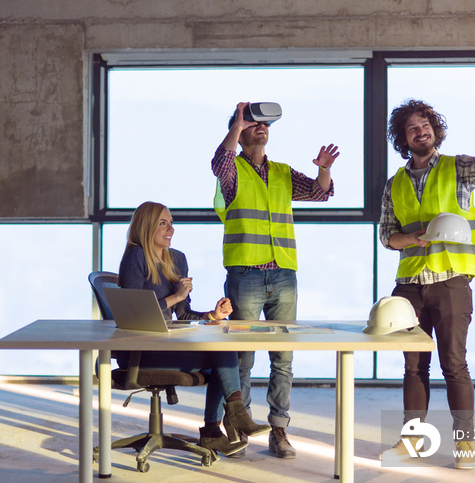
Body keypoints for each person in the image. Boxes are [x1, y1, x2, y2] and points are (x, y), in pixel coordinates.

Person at [378, 99, 475, 468]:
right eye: (413, 128)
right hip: (409, 287)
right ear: (403, 137)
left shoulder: (456, 168)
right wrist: (411, 240)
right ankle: (412, 440)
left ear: (435, 130)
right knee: (414, 367)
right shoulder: (394, 183)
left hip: (450, 284)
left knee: (454, 364)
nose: (421, 131)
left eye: (426, 125)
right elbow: (386, 236)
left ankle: (465, 444)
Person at [211, 101, 339, 458]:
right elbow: (218, 162)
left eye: (264, 124)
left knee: (283, 357)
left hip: (283, 274)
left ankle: (279, 430)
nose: (261, 127)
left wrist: (324, 170)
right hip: (246, 275)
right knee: (243, 358)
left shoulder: (282, 172)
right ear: (240, 130)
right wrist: (237, 125)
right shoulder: (232, 171)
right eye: (253, 123)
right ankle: (239, 428)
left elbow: (319, 192)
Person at [118, 201, 271, 457]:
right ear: (146, 227)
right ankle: (231, 419)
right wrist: (175, 296)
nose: (171, 229)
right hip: (142, 349)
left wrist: (213, 315)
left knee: (226, 355)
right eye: (163, 223)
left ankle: (214, 430)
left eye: (172, 223)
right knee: (220, 351)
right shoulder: (136, 256)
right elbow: (136, 315)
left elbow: (185, 314)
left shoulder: (176, 259)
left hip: (169, 344)